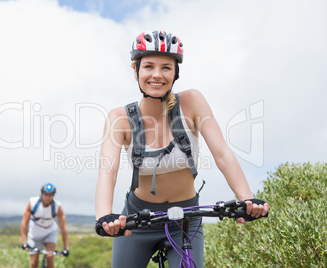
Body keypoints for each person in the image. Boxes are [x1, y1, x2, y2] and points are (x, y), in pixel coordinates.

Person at [95, 30, 269, 268]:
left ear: (176, 73)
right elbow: (108, 172)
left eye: (166, 67)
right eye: (148, 67)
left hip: (186, 221)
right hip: (138, 220)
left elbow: (222, 154)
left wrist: (246, 199)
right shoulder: (119, 118)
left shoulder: (192, 102)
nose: (157, 75)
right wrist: (105, 215)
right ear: (136, 71)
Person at [21, 183, 69, 268]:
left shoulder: (57, 207)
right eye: (45, 195)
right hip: (34, 234)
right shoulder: (33, 203)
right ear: (42, 194)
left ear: (53, 196)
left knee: (49, 256)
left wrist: (66, 248)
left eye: (50, 195)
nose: (47, 197)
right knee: (34, 262)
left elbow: (63, 229)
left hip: (50, 232)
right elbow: (24, 223)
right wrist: (25, 242)